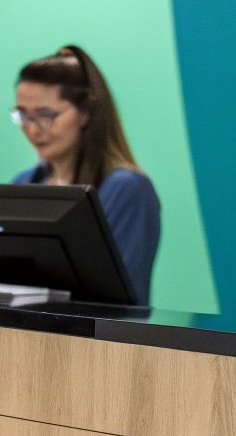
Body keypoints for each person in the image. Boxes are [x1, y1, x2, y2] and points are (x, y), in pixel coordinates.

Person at [10, 45, 160, 301]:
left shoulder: (126, 189)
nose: (33, 130)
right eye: (23, 116)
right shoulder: (23, 184)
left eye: (46, 115)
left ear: (85, 113)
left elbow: (115, 299)